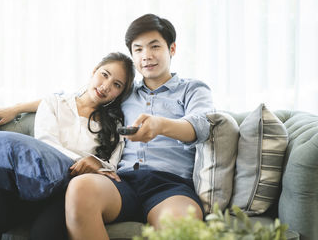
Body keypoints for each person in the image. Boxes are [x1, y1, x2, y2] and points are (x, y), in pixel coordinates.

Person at [64, 14, 215, 240]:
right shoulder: (123, 91)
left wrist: (160, 126)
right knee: (80, 188)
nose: (147, 56)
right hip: (122, 181)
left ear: (172, 49)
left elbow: (201, 126)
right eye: (138, 50)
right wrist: (18, 108)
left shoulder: (192, 89)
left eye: (155, 47)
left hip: (170, 185)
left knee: (179, 226)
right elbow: (80, 99)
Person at [0, 52, 135, 240]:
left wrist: (96, 162)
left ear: (120, 93)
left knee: (46, 233)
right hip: (36, 179)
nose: (106, 86)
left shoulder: (115, 122)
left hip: (71, 191)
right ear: (94, 71)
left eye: (116, 85)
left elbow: (111, 164)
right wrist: (82, 161)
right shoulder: (54, 103)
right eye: (105, 74)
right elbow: (47, 143)